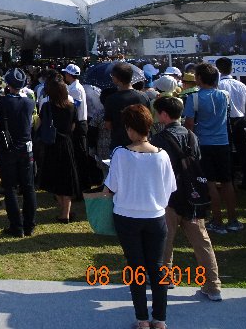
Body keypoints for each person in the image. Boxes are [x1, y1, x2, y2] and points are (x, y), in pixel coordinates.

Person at [104, 104, 176, 329]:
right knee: (157, 267)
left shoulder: (120, 153)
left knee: (136, 268)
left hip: (126, 216)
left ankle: (142, 319)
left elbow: (111, 187)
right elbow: (170, 188)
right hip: (155, 216)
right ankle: (160, 319)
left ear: (130, 128)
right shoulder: (162, 155)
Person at [151, 96, 222, 302]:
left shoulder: (159, 139)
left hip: (169, 196)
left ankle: (165, 278)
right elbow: (197, 160)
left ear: (164, 115)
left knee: (165, 240)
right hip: (192, 196)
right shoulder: (192, 135)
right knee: (202, 242)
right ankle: (213, 285)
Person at [184, 62, 243, 234]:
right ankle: (233, 220)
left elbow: (189, 124)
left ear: (199, 78)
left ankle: (217, 221)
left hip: (204, 144)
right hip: (223, 143)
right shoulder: (224, 95)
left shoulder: (194, 97)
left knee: (210, 183)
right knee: (227, 182)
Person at [0, 68, 36, 237]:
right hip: (26, 148)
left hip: (8, 149)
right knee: (28, 187)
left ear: (8, 85)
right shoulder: (29, 102)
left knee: (9, 188)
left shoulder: (2, 102)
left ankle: (16, 226)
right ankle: (29, 224)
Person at [38, 76, 81, 222]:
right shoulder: (72, 107)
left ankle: (63, 211)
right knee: (66, 179)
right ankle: (66, 212)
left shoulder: (46, 106)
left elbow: (40, 124)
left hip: (52, 144)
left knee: (54, 179)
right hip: (67, 143)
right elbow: (73, 127)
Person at [214, 57, 246, 192]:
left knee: (227, 152)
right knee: (245, 152)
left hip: (226, 121)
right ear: (231, 69)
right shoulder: (241, 85)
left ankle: (229, 181)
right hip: (242, 121)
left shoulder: (219, 86)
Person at [105, 62, 150, 151]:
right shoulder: (143, 96)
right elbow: (148, 121)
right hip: (141, 145)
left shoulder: (111, 99)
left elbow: (108, 125)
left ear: (117, 78)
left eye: (112, 75)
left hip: (119, 145)